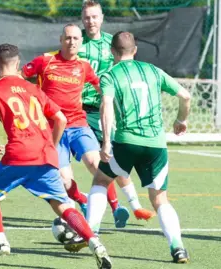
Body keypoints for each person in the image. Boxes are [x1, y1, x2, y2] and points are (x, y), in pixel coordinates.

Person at [0, 43, 111, 269]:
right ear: (18, 63)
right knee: (62, 205)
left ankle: (1, 241)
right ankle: (96, 244)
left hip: (19, 153)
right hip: (45, 155)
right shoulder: (34, 89)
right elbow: (61, 119)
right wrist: (52, 144)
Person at [84, 31, 192, 263]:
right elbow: (185, 95)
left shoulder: (110, 74)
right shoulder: (153, 70)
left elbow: (106, 105)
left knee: (102, 180)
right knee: (160, 199)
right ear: (135, 50)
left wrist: (105, 142)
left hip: (126, 142)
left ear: (111, 51)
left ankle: (91, 234)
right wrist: (181, 120)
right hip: (156, 145)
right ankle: (178, 247)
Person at [22, 23, 130, 228]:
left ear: (80, 42)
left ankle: (116, 209)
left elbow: (102, 88)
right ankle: (82, 200)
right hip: (52, 129)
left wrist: (118, 104)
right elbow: (19, 78)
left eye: (75, 39)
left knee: (97, 164)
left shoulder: (84, 65)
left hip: (78, 124)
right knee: (64, 181)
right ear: (61, 40)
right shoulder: (45, 60)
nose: (71, 42)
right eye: (68, 38)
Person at [80, 0, 155, 223]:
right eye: (86, 17)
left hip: (106, 111)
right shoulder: (76, 43)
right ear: (82, 19)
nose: (90, 21)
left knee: (113, 161)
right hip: (79, 111)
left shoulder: (112, 44)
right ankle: (109, 208)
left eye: (94, 16)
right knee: (94, 162)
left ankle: (135, 206)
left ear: (102, 18)